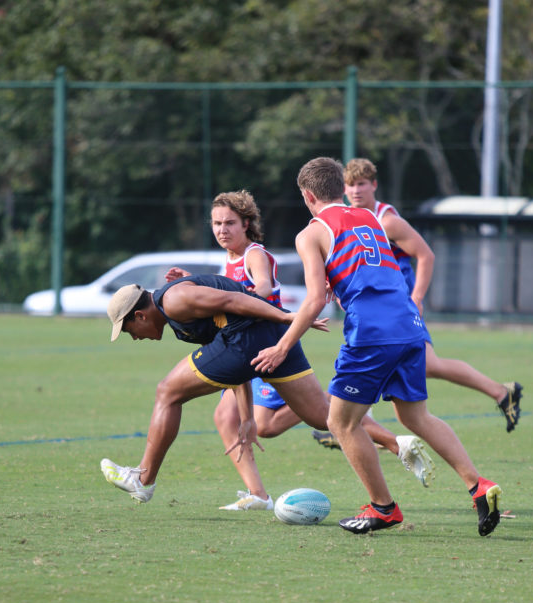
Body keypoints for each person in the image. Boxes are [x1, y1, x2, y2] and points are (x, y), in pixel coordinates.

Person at [251, 157, 502, 537]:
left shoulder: (311, 233)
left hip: (372, 334)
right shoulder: (371, 218)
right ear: (341, 186)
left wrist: (283, 345)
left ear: (307, 195)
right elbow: (369, 268)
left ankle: (383, 508)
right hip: (409, 326)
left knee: (340, 422)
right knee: (415, 417)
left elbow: (315, 298)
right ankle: (478, 486)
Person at [166, 189, 435, 511]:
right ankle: (258, 494)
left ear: (246, 224)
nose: (222, 229)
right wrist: (195, 282)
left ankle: (390, 439)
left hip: (270, 346)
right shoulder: (230, 261)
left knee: (313, 419)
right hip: (246, 347)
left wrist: (222, 292)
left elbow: (262, 289)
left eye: (229, 223)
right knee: (234, 418)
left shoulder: (254, 254)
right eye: (216, 223)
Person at [100, 273, 333, 503]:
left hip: (255, 336)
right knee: (324, 418)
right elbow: (232, 369)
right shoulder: (176, 315)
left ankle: (142, 478)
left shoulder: (174, 300)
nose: (134, 338)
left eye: (128, 331)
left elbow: (234, 300)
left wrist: (287, 317)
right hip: (272, 337)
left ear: (140, 316)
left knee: (167, 392)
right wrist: (247, 417)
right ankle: (349, 401)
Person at [343, 158, 523, 433]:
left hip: (398, 307)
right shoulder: (350, 218)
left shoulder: (387, 221)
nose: (356, 191)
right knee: (417, 364)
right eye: (350, 185)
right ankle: (500, 392)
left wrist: (416, 298)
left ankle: (351, 425)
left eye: (362, 184)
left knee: (403, 361)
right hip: (379, 308)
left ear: (374, 185)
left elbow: (425, 255)